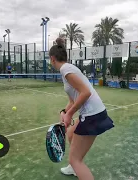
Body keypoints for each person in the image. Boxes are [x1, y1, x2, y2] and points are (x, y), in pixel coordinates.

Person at [49, 38, 114, 180]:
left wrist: (70, 114)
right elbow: (73, 99)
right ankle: (73, 168)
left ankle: (75, 164)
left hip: (92, 116)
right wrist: (65, 112)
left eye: (50, 59)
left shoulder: (66, 70)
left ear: (52, 59)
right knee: (71, 133)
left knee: (75, 159)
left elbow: (85, 93)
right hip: (94, 113)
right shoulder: (68, 69)